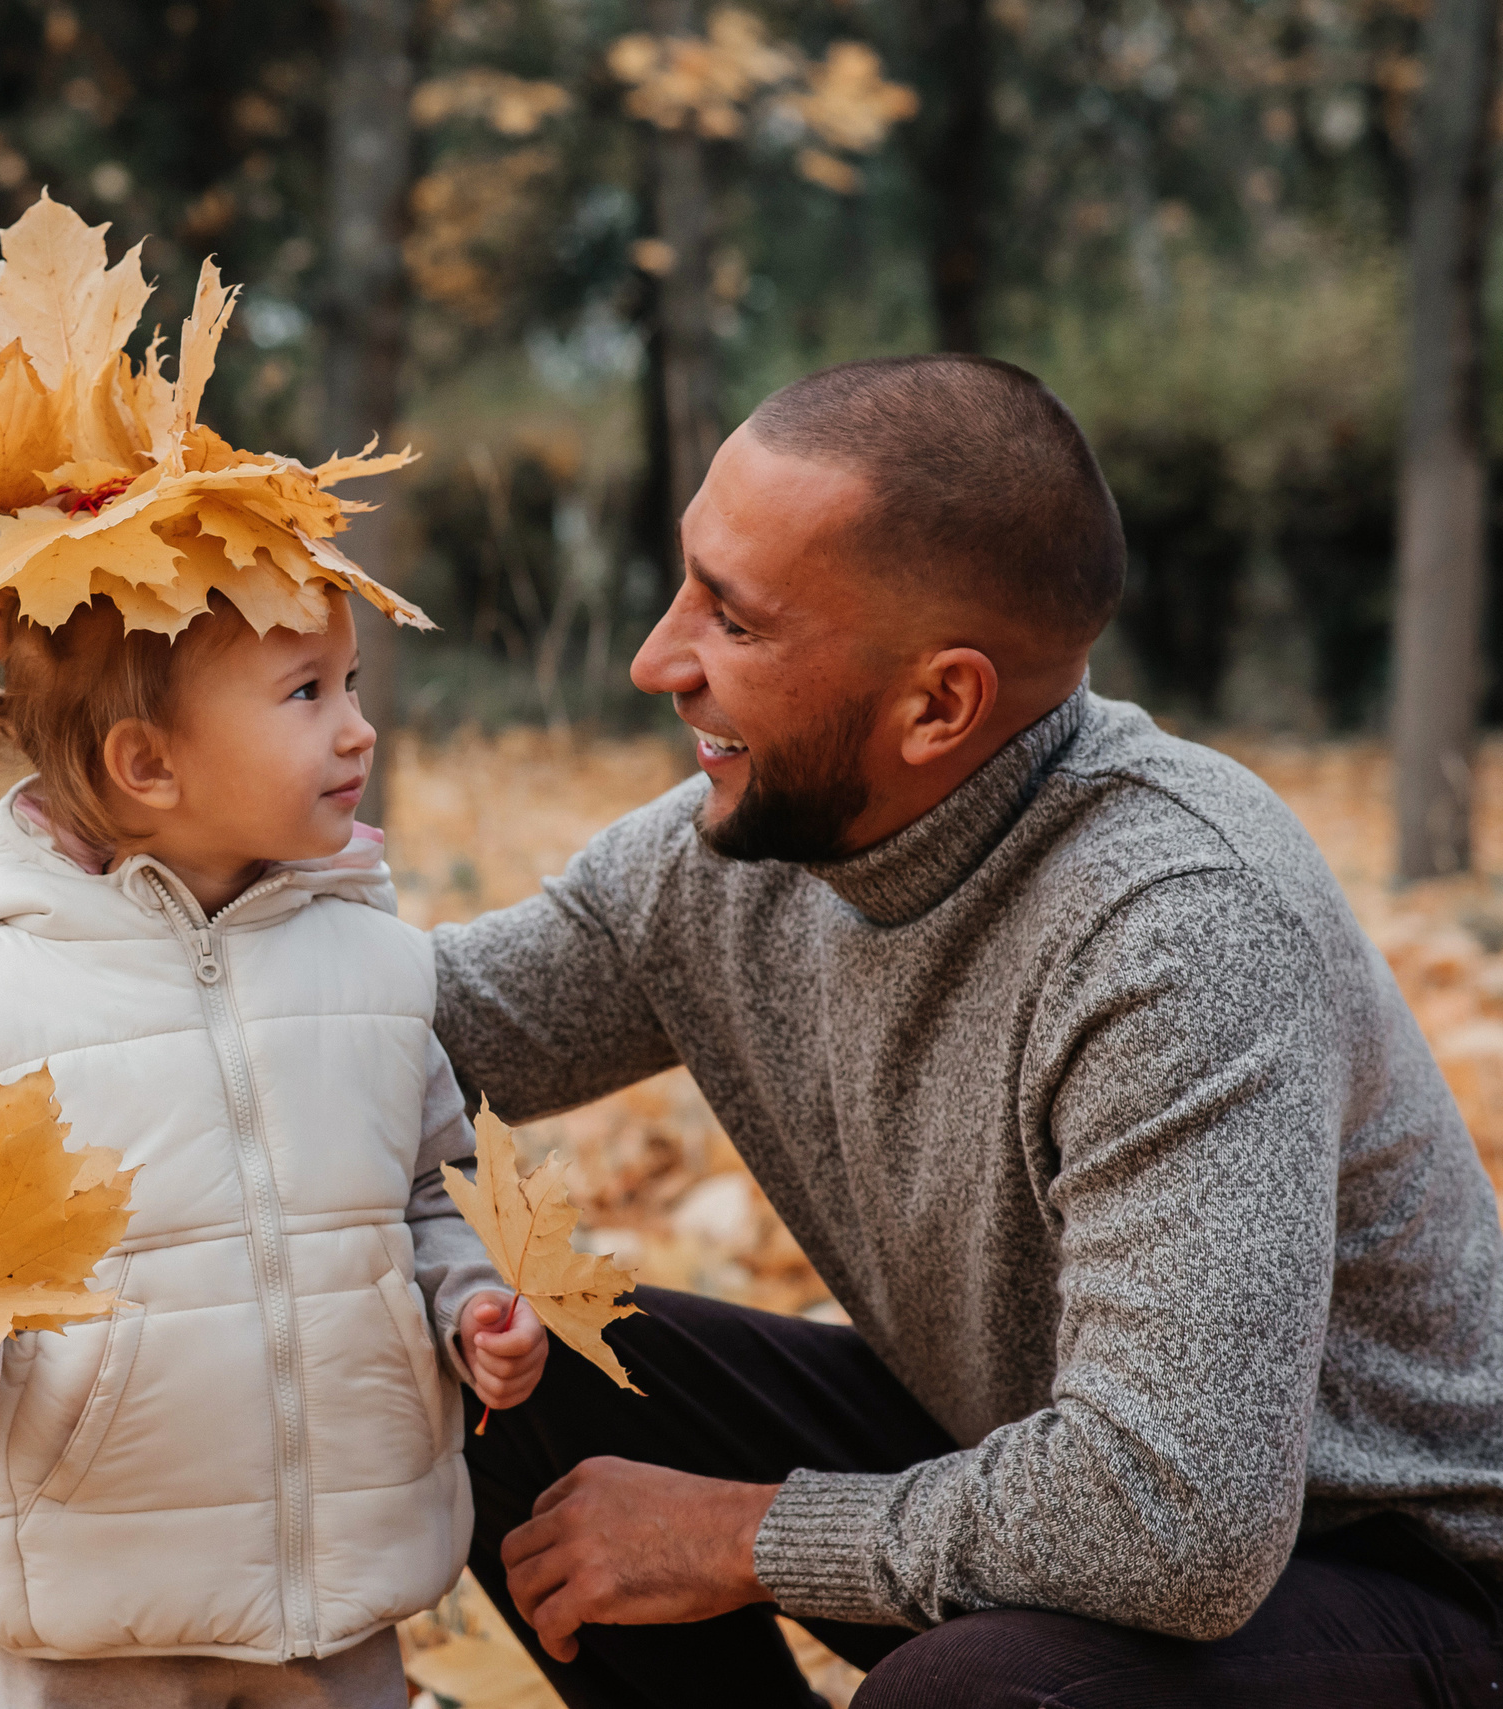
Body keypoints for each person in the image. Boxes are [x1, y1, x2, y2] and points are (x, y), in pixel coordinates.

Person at [433, 354, 1503, 1706]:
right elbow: (406, 1039)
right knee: (503, 1362)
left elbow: (1182, 1526)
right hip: (1044, 1471)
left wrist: (743, 1537)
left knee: (978, 1695)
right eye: (687, 578)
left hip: (1397, 1584)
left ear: (939, 704)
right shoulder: (722, 860)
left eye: (736, 623)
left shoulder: (1178, 926)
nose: (659, 659)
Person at [0, 589, 552, 1709]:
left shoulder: (378, 972)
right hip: (97, 1601)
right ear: (147, 762)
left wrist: (469, 1298)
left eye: (351, 681)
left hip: (338, 1589)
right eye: (306, 692)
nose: (356, 726)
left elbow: (435, 1190)